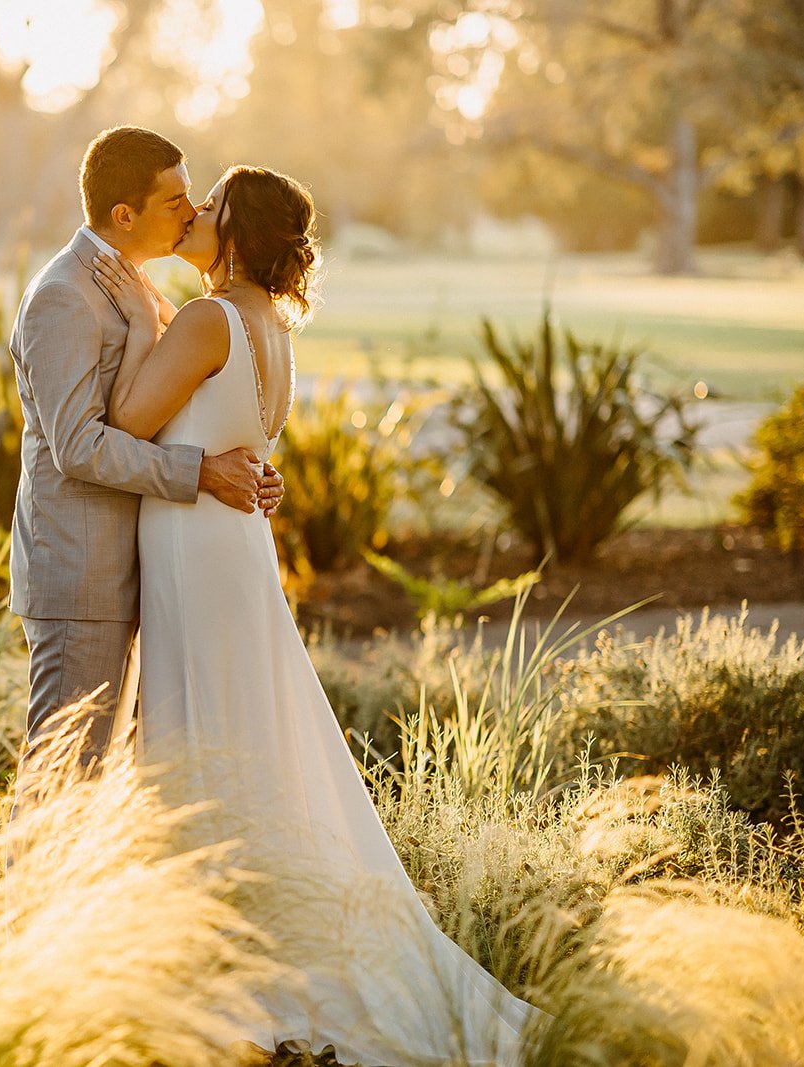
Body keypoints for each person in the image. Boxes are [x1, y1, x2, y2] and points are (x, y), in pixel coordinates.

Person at [90, 164, 545, 1066]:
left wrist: (138, 323)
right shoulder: (271, 327)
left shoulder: (210, 319)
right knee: (244, 730)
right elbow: (237, 438)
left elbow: (124, 418)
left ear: (238, 234)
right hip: (232, 548)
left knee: (205, 731)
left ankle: (222, 959)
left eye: (209, 207)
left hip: (196, 549)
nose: (195, 214)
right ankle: (232, 929)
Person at [7, 126, 284, 780]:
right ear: (124, 215)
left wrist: (248, 466)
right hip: (82, 575)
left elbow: (179, 405)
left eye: (194, 198)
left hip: (143, 570)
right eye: (175, 202)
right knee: (63, 779)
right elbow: (79, 446)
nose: (191, 213)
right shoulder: (64, 297)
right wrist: (202, 472)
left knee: (101, 780)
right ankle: (34, 889)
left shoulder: (135, 292)